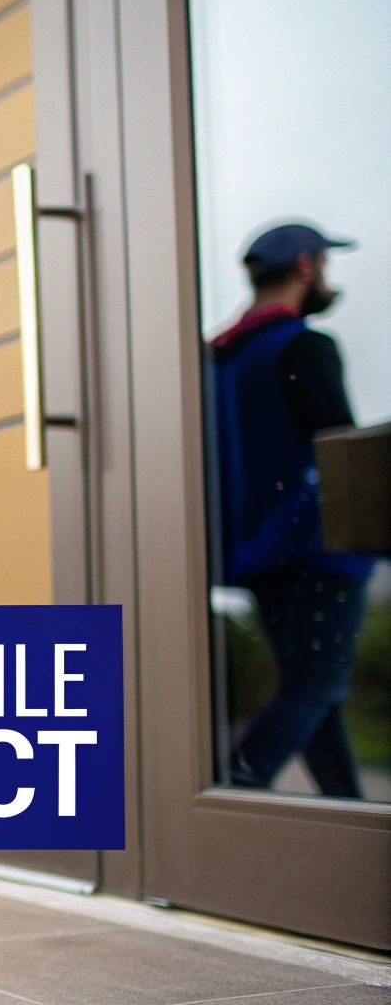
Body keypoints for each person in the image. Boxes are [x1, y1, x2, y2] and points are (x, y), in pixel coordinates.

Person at [211, 221, 374, 799]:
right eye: (325, 263)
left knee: (314, 698)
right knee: (315, 687)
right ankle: (231, 798)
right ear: (306, 266)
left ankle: (350, 822)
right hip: (321, 553)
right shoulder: (302, 346)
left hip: (257, 555)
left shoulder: (221, 361)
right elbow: (343, 457)